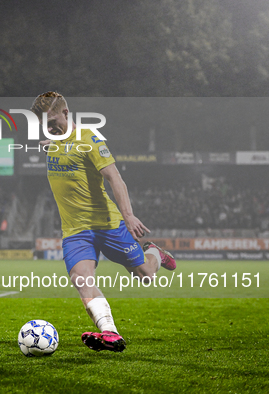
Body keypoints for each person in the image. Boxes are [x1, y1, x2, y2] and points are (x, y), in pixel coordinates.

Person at [31, 92, 176, 352]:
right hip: (75, 232)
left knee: (146, 276)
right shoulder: (54, 141)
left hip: (109, 225)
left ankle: (154, 252)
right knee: (81, 279)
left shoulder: (90, 139)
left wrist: (129, 215)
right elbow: (60, 145)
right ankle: (110, 332)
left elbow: (115, 177)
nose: (50, 127)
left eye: (53, 121)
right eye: (45, 123)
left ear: (66, 113)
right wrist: (50, 142)